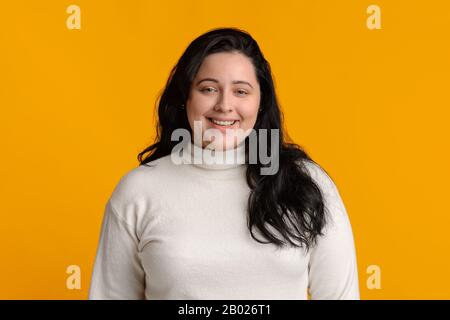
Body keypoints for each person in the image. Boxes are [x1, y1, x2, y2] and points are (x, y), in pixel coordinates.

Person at [88, 27, 360, 300]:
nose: (224, 105)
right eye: (208, 89)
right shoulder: (139, 191)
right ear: (186, 98)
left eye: (241, 91)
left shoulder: (306, 184)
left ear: (261, 103)